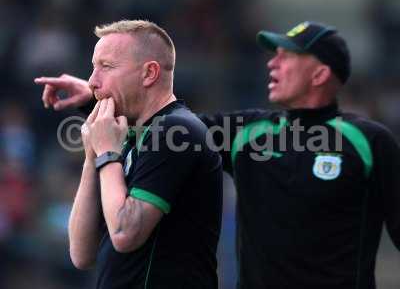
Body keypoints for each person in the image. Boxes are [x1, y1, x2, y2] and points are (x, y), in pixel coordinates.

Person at [35, 21, 400, 289]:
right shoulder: (248, 133)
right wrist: (94, 95)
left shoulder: (368, 142)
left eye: (288, 57)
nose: (272, 63)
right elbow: (162, 122)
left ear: (321, 73)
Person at [36, 19, 223, 289]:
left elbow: (125, 233)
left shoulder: (176, 131)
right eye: (93, 67)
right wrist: (92, 157)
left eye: (106, 67)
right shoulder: (130, 137)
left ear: (149, 73)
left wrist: (106, 153)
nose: (92, 81)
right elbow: (81, 253)